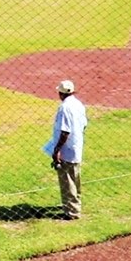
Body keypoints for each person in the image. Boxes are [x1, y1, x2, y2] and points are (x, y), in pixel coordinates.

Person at [43, 79, 87, 219]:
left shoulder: (64, 108)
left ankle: (72, 212)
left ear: (61, 93)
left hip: (66, 150)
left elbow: (64, 132)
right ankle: (74, 204)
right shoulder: (78, 104)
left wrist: (56, 151)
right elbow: (84, 125)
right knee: (75, 179)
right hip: (76, 146)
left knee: (67, 181)